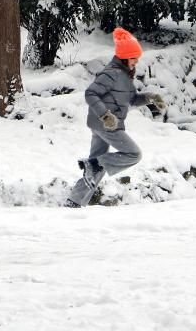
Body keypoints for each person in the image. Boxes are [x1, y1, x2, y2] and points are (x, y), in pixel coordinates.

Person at [65, 28, 164, 208]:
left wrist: (150, 97)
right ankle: (93, 164)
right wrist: (105, 115)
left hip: (102, 124)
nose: (136, 61)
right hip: (106, 124)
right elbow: (90, 94)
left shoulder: (125, 76)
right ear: (125, 57)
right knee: (133, 154)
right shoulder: (112, 73)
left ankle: (74, 202)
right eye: (134, 57)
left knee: (96, 168)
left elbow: (132, 99)